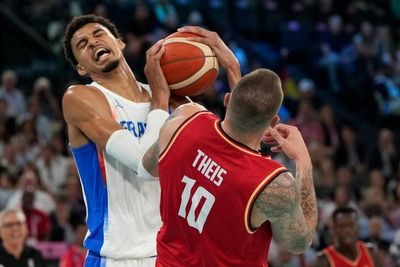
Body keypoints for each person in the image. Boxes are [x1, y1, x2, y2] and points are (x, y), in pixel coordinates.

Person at [62, 16, 240, 266]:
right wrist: (160, 99)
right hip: (117, 257)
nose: (92, 43)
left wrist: (232, 68)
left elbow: (232, 153)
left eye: (98, 34)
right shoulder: (81, 98)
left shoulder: (171, 100)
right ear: (81, 68)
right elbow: (145, 166)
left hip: (173, 253)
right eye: (82, 44)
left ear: (120, 43)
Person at [139, 68, 318, 266]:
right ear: (274, 122)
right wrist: (303, 160)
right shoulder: (273, 184)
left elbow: (147, 168)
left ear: (227, 99)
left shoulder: (183, 119)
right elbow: (300, 242)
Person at [312, 206, 382, 267]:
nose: (347, 230)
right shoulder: (323, 260)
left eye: (351, 225)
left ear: (358, 227)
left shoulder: (371, 253)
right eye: (342, 226)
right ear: (334, 229)